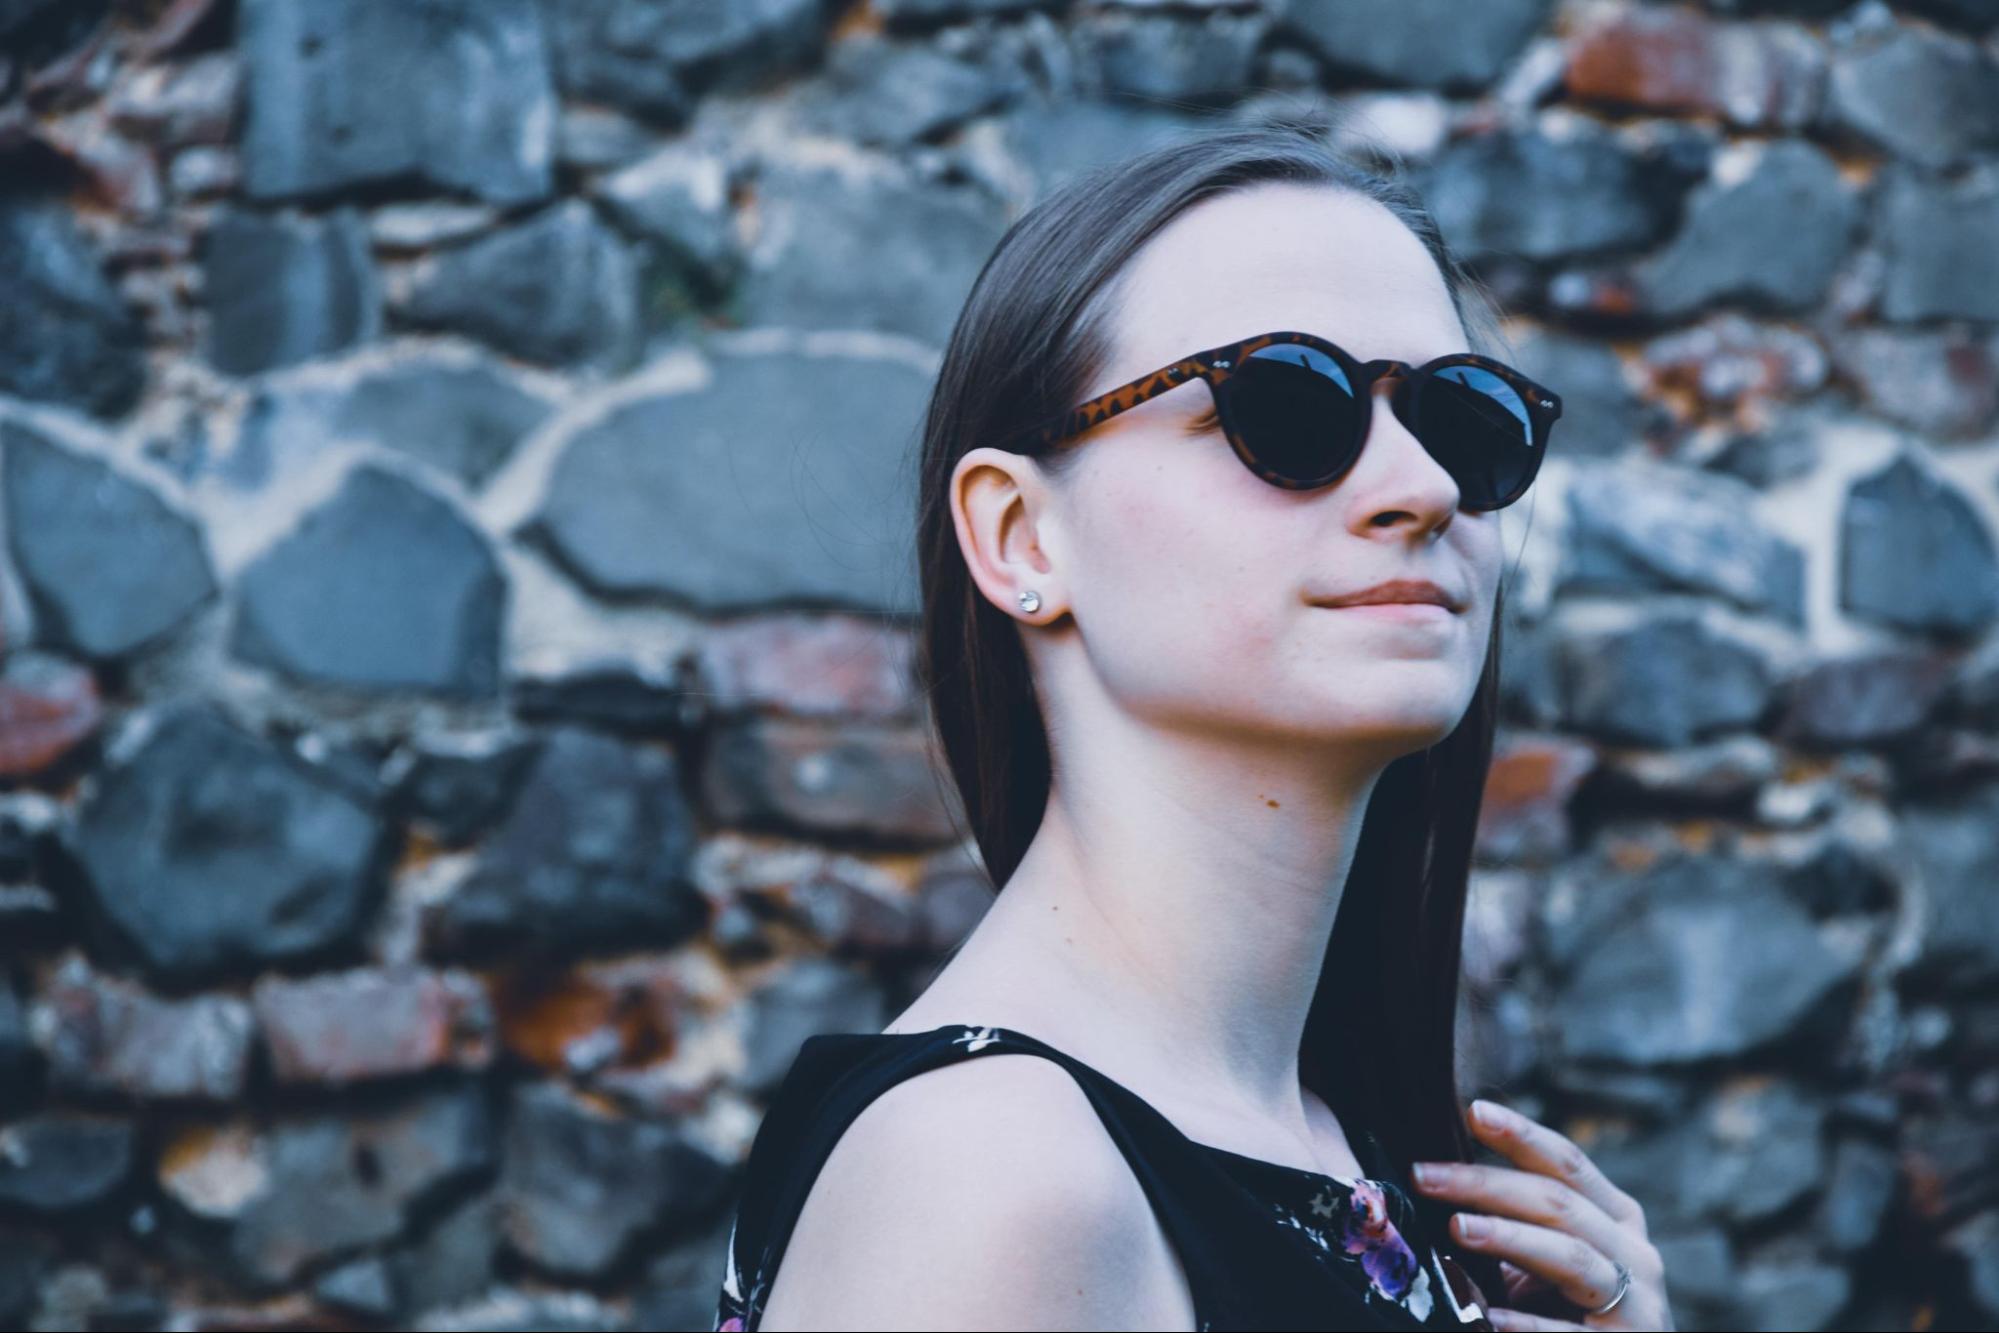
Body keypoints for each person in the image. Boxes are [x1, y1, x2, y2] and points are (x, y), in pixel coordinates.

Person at [715, 105, 1673, 1332]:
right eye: (1285, 406)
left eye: (1463, 418)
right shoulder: (994, 1179)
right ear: (1021, 536)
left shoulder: (1327, 1147)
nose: (1425, 488)